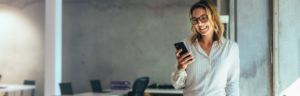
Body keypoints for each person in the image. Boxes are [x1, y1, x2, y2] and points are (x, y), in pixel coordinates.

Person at [171, 0, 240, 96]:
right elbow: (177, 84)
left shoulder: (231, 47)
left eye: (203, 18)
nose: (199, 24)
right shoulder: (187, 45)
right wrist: (180, 68)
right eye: (195, 20)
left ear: (214, 17)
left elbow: (232, 84)